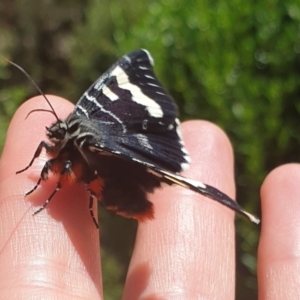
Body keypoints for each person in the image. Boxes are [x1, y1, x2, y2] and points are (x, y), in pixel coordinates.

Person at [0, 95, 298, 299]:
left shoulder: (80, 143)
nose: (53, 134)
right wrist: (31, 170)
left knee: (77, 169)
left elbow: (68, 172)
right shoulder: (72, 140)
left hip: (119, 183)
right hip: (109, 173)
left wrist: (52, 194)